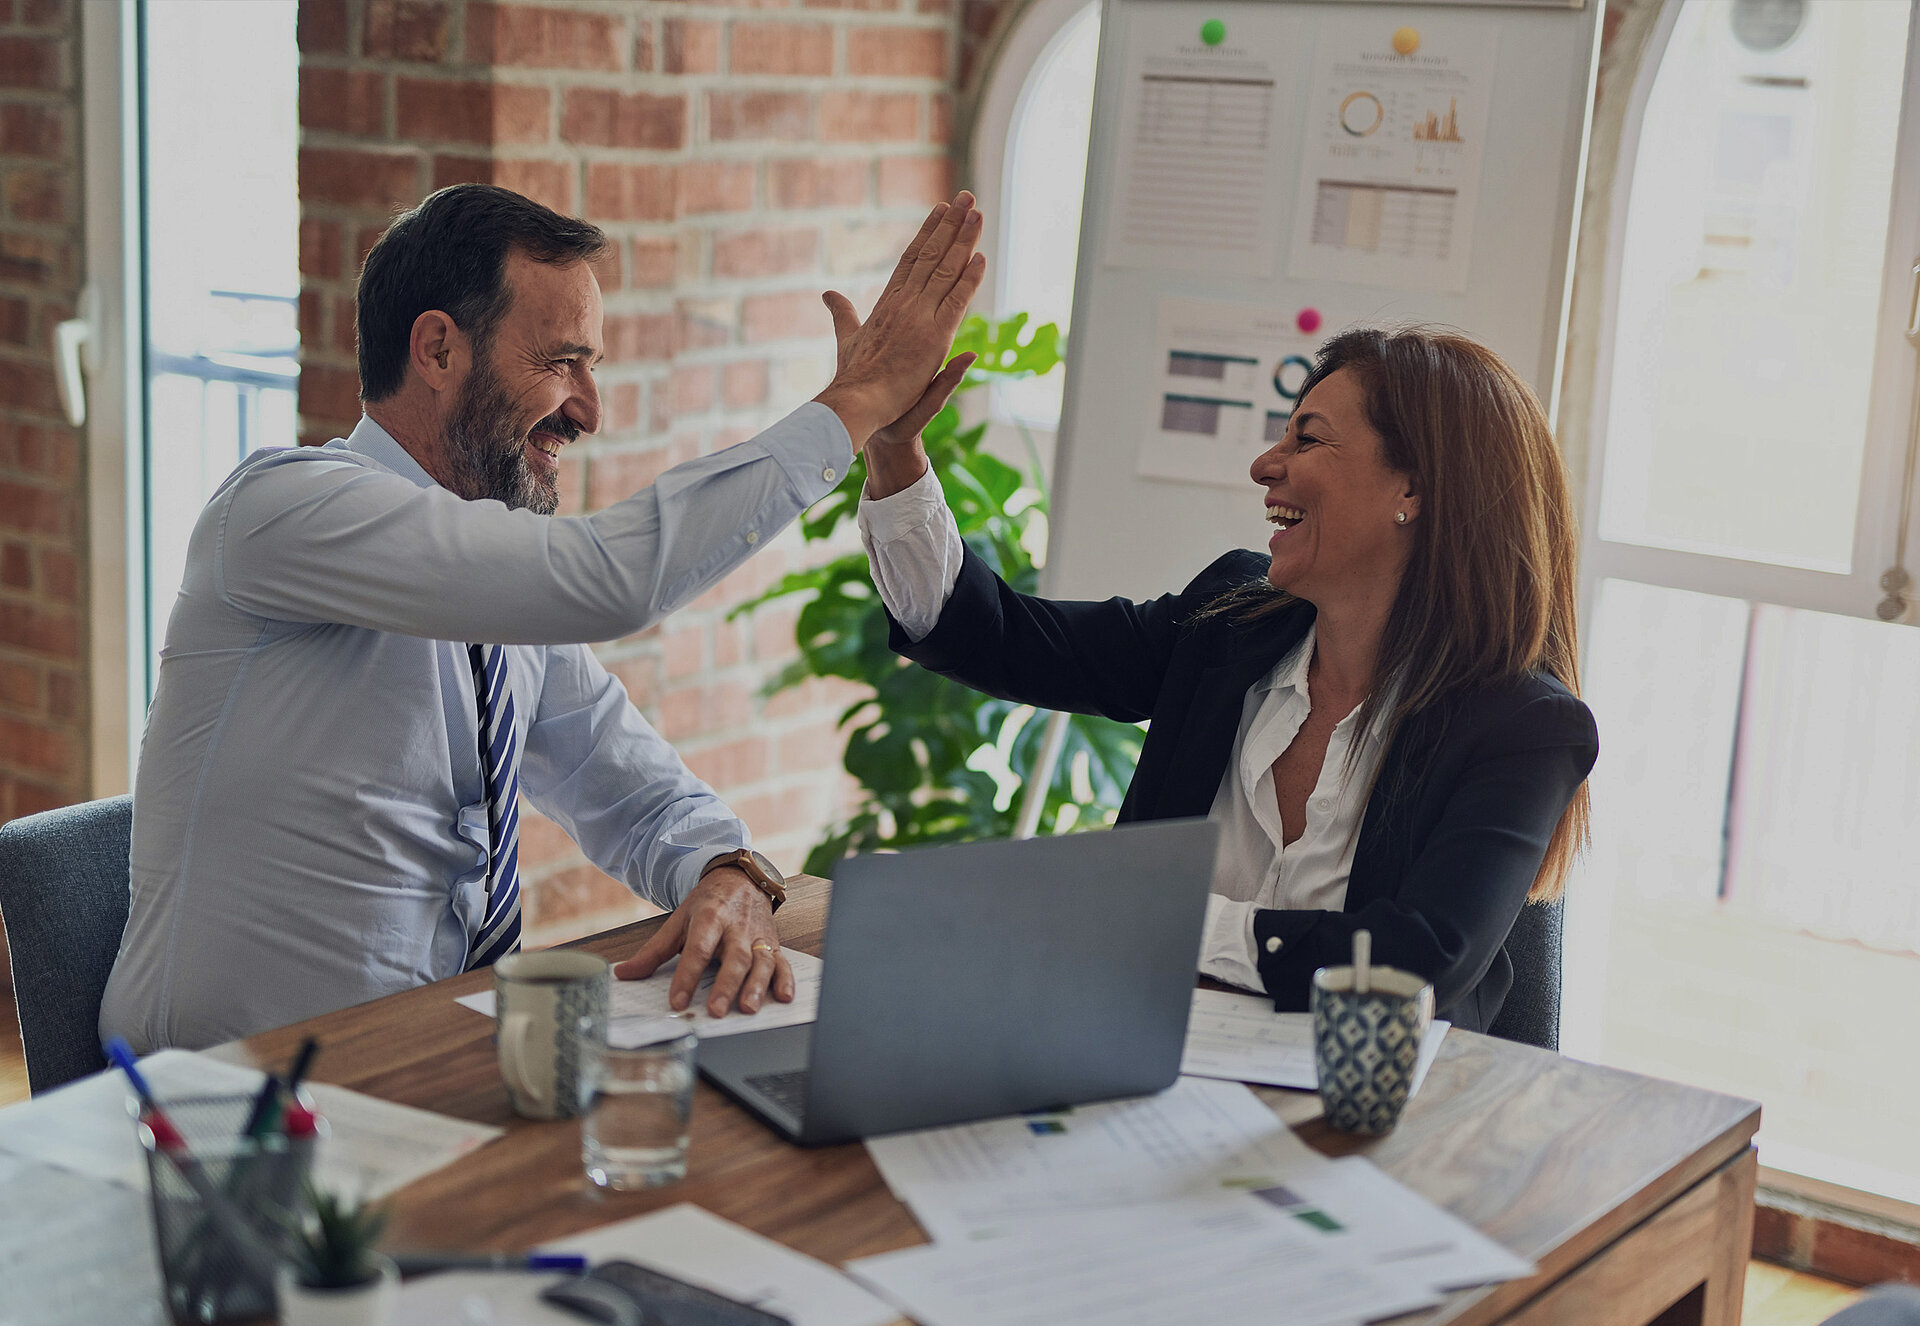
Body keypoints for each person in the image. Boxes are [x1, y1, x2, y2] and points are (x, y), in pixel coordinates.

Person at [101, 184, 985, 1051]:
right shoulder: (283, 510)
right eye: (563, 362)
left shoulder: (496, 593)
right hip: (223, 1097)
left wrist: (728, 869)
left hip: (426, 1063)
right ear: (438, 350)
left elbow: (630, 785)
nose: (589, 410)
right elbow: (611, 579)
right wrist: (855, 404)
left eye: (591, 367)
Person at [856, 326, 1598, 1030]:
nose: (1265, 465)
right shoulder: (1228, 623)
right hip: (1141, 1060)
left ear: (1414, 490)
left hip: (1370, 1106)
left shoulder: (1523, 727)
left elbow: (1414, 963)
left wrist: (1165, 920)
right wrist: (894, 450)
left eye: (1307, 439)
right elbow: (999, 638)